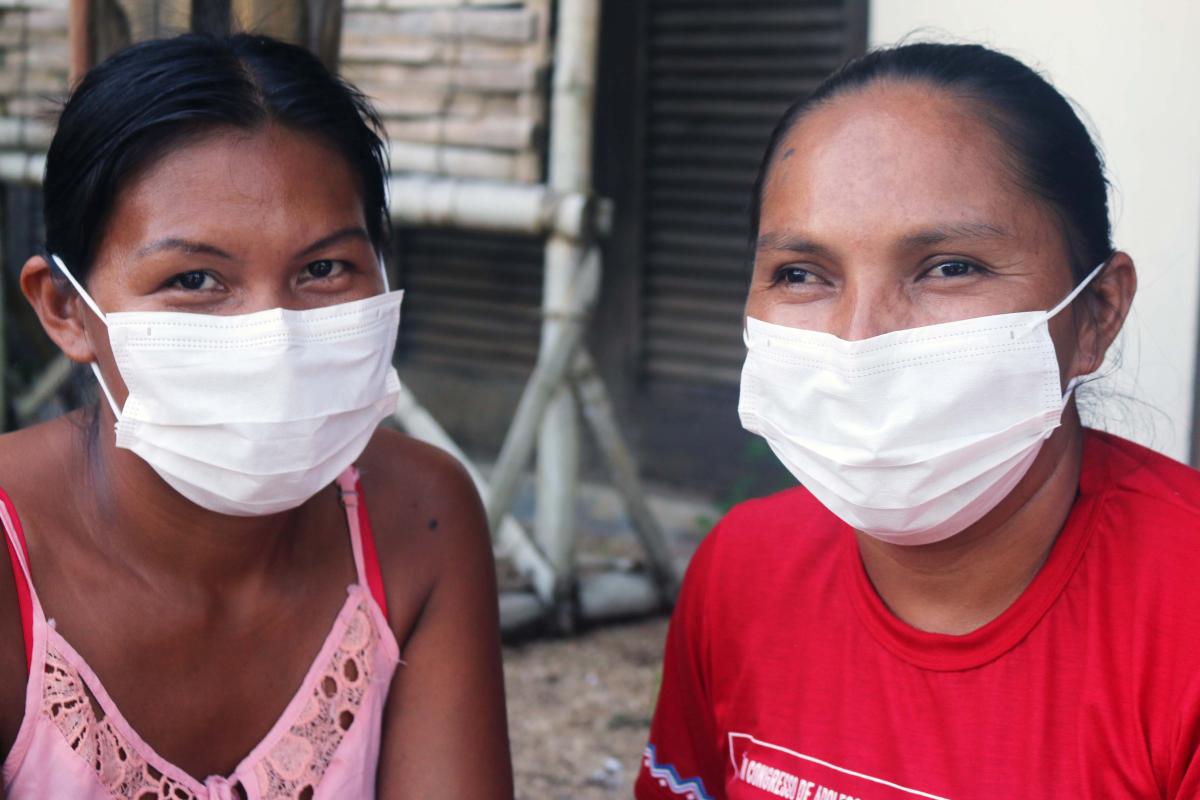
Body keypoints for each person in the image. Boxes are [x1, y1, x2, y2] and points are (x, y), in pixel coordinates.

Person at [636, 42, 1200, 799]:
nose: (861, 340)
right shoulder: (740, 573)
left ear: (1096, 316)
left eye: (948, 267)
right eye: (801, 275)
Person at [0, 34, 511, 799]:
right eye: (195, 278)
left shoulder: (420, 518)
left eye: (322, 269)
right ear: (68, 309)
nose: (276, 339)